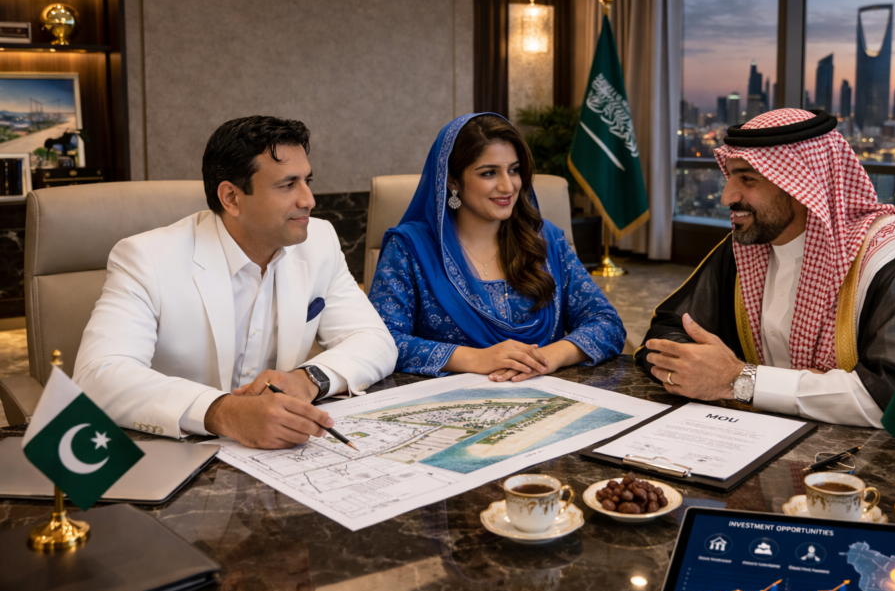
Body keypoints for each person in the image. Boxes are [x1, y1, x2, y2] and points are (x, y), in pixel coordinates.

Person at [637, 108, 895, 426]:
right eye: (729, 177)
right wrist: (695, 368)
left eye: (747, 179)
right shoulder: (747, 246)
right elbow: (669, 328)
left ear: (802, 185)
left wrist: (741, 380)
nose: (727, 196)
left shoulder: (892, 260)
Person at [74, 116, 397, 448]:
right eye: (288, 185)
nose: (308, 200)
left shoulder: (319, 241)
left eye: (307, 181)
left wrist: (308, 379)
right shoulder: (145, 258)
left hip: (278, 455)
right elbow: (98, 376)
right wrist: (225, 413)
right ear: (231, 198)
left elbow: (375, 340)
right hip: (177, 453)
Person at [368, 113, 624, 380]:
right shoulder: (410, 248)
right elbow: (382, 341)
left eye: (513, 170)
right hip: (447, 406)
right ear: (452, 181)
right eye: (489, 173)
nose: (507, 186)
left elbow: (607, 323)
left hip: (546, 397)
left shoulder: (545, 240)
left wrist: (547, 358)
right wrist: (476, 359)